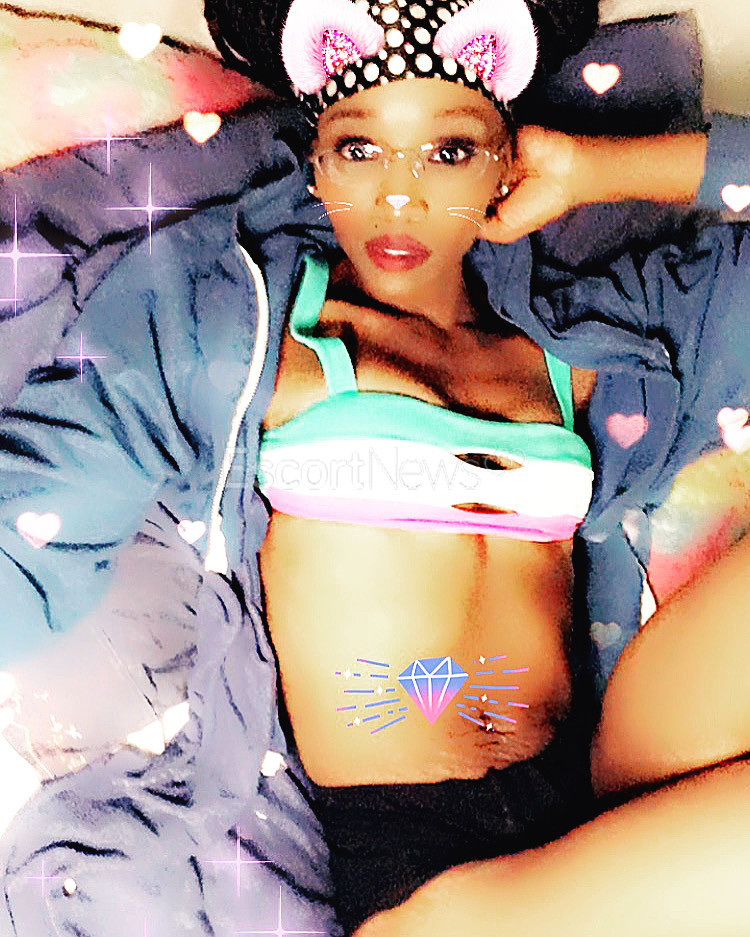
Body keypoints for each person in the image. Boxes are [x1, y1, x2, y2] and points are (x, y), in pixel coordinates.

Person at [0, 1, 748, 935]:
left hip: (602, 784)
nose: (399, 198)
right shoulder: (233, 329)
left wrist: (597, 169)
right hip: (430, 895)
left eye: (449, 151)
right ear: (316, 160)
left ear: (507, 162)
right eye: (360, 148)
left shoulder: (586, 337)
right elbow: (27, 532)